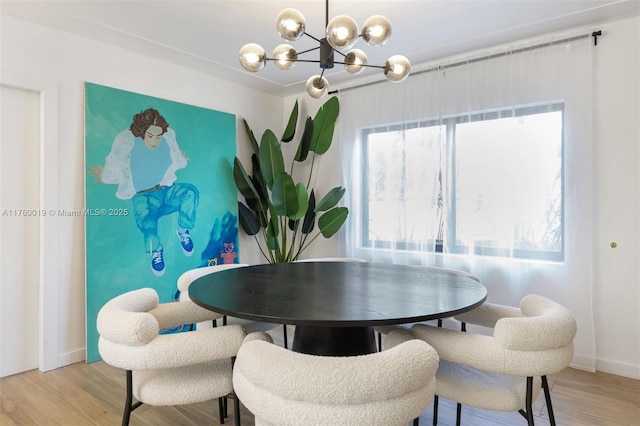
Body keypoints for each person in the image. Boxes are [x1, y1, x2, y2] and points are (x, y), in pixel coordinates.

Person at [90, 108, 199, 276]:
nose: (155, 141)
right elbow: (116, 164)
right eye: (151, 136)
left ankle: (183, 230)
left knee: (190, 192)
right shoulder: (127, 142)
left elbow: (176, 158)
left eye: (159, 136)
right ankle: (156, 251)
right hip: (144, 197)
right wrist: (104, 175)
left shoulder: (168, 138)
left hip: (166, 190)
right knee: (147, 223)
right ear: (142, 132)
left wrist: (182, 160)